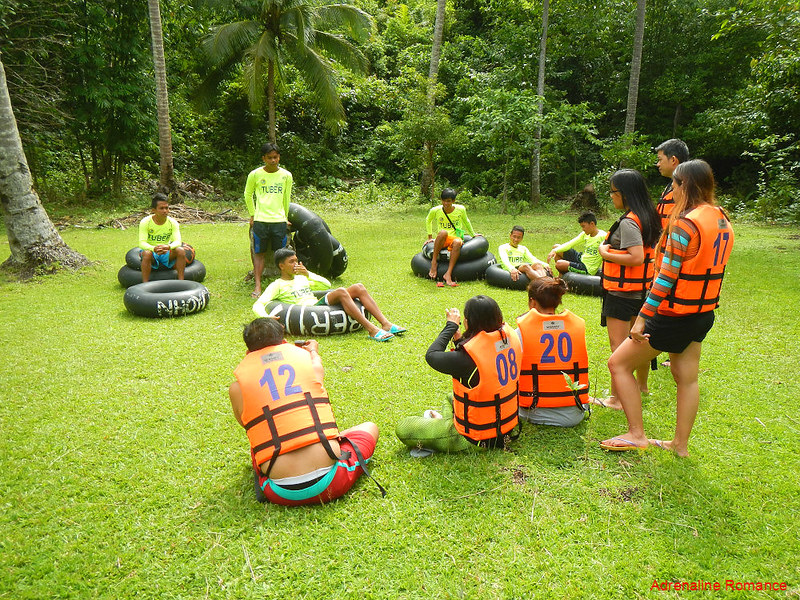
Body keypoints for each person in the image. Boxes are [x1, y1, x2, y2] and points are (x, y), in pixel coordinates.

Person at [600, 160, 734, 456]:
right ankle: (679, 446)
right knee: (687, 378)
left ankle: (636, 434)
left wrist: (642, 319)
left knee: (618, 364)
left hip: (674, 315)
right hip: (702, 314)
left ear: (684, 185)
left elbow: (665, 278)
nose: (670, 191)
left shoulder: (685, 224)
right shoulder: (721, 218)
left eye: (673, 184)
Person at [229, 318, 384, 505]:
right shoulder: (310, 364)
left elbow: (247, 424)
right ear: (285, 342)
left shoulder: (237, 388)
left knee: (258, 446)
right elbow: (316, 362)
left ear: (248, 352)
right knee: (370, 427)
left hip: (279, 493)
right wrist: (312, 350)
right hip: (332, 483)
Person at [395, 295, 521, 453]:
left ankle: (445, 426)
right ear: (499, 317)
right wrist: (458, 338)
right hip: (506, 426)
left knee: (404, 427)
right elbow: (480, 358)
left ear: (468, 322)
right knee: (450, 397)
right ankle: (446, 421)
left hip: (474, 438)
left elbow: (432, 355)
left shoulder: (465, 359)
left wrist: (450, 326)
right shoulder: (510, 338)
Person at [594, 170, 661, 409]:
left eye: (613, 191)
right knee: (638, 342)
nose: (611, 196)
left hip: (622, 295)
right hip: (642, 293)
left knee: (619, 345)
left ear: (625, 193)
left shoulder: (630, 222)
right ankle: (641, 386)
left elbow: (636, 257)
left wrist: (605, 253)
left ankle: (617, 398)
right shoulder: (649, 216)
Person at [253, 248, 406, 342]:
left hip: (318, 303)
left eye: (297, 261)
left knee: (358, 287)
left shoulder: (301, 278)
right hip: (308, 310)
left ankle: (386, 324)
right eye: (291, 262)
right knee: (341, 292)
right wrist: (265, 316)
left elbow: (325, 285)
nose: (296, 264)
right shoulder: (277, 285)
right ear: (281, 266)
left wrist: (308, 274)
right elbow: (258, 304)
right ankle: (372, 330)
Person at [516, 277, 590, 427]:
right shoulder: (576, 328)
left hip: (532, 412)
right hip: (575, 414)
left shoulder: (521, 332)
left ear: (532, 302)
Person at [243, 142, 293, 298]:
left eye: (276, 157)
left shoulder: (286, 175)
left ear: (279, 157)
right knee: (259, 253)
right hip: (261, 221)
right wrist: (252, 214)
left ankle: (283, 285)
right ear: (263, 158)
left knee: (282, 254)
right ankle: (258, 286)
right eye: (270, 158)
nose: (273, 161)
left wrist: (285, 217)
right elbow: (247, 195)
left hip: (278, 221)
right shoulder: (255, 174)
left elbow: (286, 198)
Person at [425, 188, 481, 287]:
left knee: (457, 242)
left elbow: (466, 221)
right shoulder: (435, 210)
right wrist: (430, 237)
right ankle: (434, 263)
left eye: (448, 201)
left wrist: (473, 234)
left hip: (455, 238)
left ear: (453, 201)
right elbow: (428, 220)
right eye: (444, 201)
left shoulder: (460, 209)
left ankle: (448, 274)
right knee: (442, 232)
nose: (446, 203)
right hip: (443, 238)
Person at [138, 193, 191, 283]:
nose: (165, 211)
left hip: (166, 251)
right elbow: (141, 243)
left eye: (167, 208)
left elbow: (178, 241)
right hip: (152, 252)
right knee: (147, 253)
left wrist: (168, 247)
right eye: (161, 208)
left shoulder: (173, 222)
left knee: (181, 250)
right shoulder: (145, 222)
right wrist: (153, 248)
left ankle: (181, 282)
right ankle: (145, 284)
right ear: (153, 210)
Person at [547, 212, 607, 277]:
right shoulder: (585, 234)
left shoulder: (603, 236)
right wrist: (554, 250)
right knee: (557, 247)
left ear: (592, 224)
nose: (583, 229)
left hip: (586, 268)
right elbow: (570, 243)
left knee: (559, 264)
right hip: (581, 259)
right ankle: (561, 277)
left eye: (583, 226)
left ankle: (561, 279)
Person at [654, 138, 690, 231]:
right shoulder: (670, 186)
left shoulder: (686, 188)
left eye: (660, 160)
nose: (658, 164)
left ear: (673, 160)